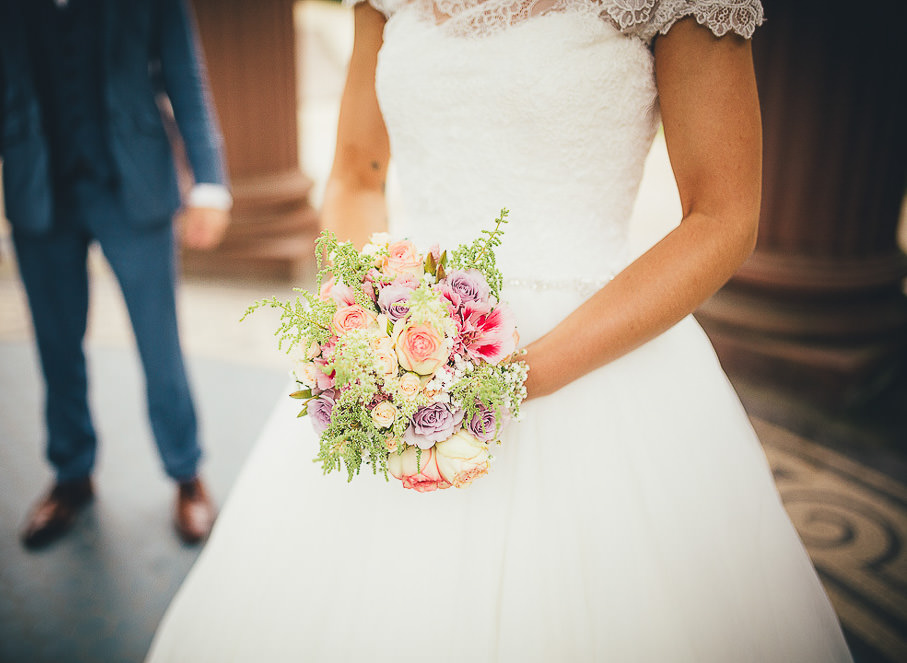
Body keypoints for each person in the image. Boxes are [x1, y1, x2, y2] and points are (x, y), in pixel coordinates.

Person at [147, 0, 854, 660]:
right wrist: (376, 318)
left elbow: (722, 216)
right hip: (404, 345)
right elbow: (357, 176)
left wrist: (513, 377)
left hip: (595, 364)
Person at [0, 0, 230, 549]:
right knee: (55, 347)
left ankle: (186, 473)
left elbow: (185, 72)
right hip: (38, 191)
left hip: (135, 186)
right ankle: (71, 475)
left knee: (160, 343)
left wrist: (209, 183)